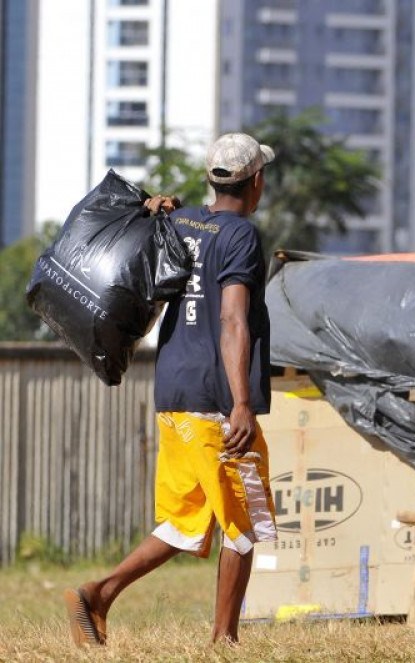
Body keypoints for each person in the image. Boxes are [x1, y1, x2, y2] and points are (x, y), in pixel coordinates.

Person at [64, 133, 278, 646]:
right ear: (257, 182)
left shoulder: (176, 223)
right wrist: (242, 403)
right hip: (216, 400)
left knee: (183, 523)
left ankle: (98, 594)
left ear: (211, 177)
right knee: (244, 523)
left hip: (173, 394)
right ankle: (224, 640)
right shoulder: (241, 237)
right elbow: (231, 318)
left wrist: (159, 208)